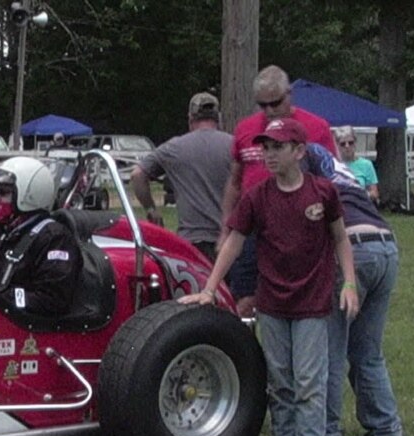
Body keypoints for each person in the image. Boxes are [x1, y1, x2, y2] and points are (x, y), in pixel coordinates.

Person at [181, 118, 358, 436]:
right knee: (280, 381)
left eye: (278, 147)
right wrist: (210, 288)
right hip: (272, 302)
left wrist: (349, 283)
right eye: (266, 147)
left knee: (309, 380)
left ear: (299, 151)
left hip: (312, 301)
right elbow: (233, 240)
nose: (269, 154)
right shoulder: (258, 197)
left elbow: (340, 238)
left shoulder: (323, 193)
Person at [301, 143, 404, 436]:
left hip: (353, 250)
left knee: (331, 349)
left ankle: (328, 434)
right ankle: (386, 428)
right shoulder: (343, 170)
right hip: (386, 246)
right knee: (367, 350)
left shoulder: (309, 172)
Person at [221, 65, 338, 316]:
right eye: (262, 105)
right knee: (244, 301)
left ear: (289, 94)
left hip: (299, 227)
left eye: (276, 103)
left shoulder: (316, 128)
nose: (270, 111)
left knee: (295, 300)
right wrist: (225, 230)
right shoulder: (245, 129)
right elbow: (235, 182)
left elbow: (331, 180)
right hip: (253, 228)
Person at [129, 92, 231, 262]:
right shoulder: (234, 145)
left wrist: (151, 210)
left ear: (190, 119)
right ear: (218, 118)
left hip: (190, 242)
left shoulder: (174, 148)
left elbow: (137, 174)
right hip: (227, 241)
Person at [0, 156, 81, 315]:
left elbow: (52, 300)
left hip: (26, 330)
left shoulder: (55, 239)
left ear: (30, 196)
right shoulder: (3, 233)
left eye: (4, 192)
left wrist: (1, 297)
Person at [335, 127, 379, 204]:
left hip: (361, 206)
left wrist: (361, 194)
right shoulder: (333, 165)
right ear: (337, 145)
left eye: (350, 142)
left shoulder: (366, 165)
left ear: (355, 143)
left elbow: (375, 193)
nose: (347, 146)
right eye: (343, 144)